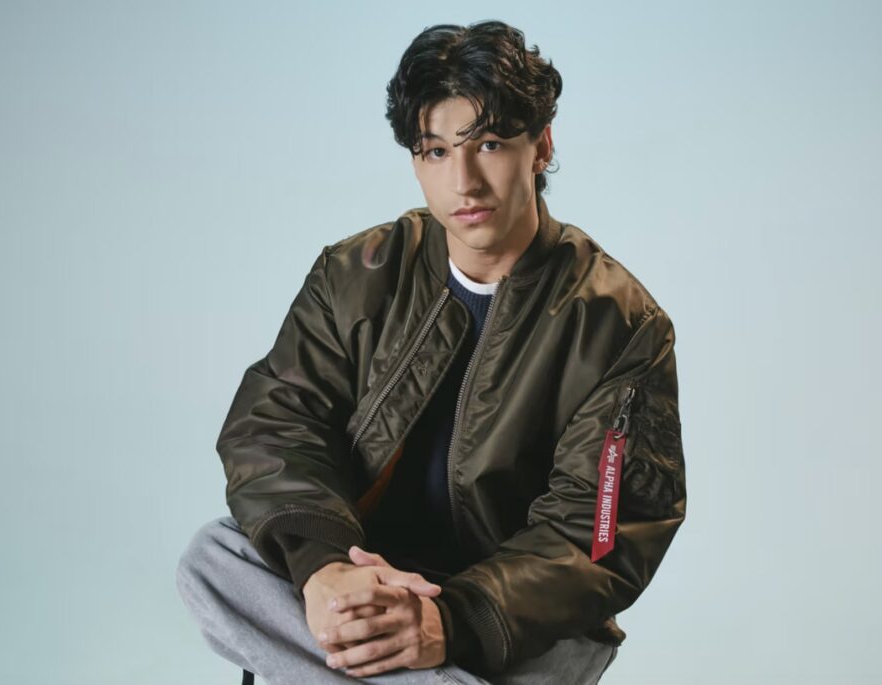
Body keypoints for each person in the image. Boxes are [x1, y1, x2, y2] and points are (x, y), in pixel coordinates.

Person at [176, 19, 687, 685]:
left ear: (541, 145)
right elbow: (277, 422)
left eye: (489, 144)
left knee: (558, 638)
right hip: (368, 569)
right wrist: (326, 569)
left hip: (509, 613)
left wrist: (449, 620)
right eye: (436, 152)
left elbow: (600, 533)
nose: (463, 182)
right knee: (215, 556)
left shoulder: (618, 324)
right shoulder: (358, 272)